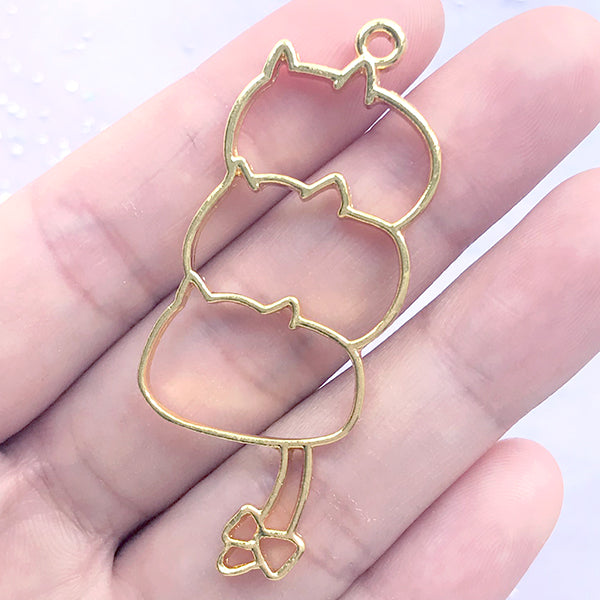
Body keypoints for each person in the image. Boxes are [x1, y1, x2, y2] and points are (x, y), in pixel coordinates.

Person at [0, 1, 598, 597]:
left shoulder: (359, 237)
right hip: (214, 340)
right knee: (276, 433)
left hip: (265, 337)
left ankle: (272, 529)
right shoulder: (253, 203)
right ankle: (267, 528)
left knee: (294, 441)